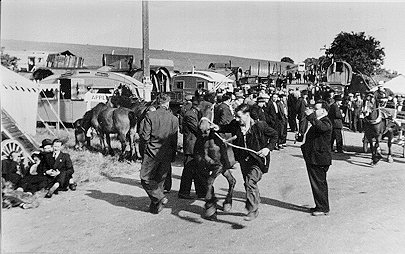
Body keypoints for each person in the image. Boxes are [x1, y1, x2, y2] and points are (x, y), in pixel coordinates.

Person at [223, 104, 278, 221]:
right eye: (236, 117)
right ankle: (255, 200)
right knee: (248, 183)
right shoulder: (235, 125)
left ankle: (253, 209)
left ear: (247, 115)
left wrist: (267, 148)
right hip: (244, 160)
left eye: (239, 117)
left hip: (258, 160)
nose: (237, 120)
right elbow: (225, 128)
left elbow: (274, 135)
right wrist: (214, 127)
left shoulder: (260, 126)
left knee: (250, 182)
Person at [139, 93, 179, 214]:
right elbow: (174, 140)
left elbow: (145, 136)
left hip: (151, 152)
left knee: (145, 178)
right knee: (160, 180)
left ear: (157, 103)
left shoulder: (150, 115)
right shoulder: (174, 119)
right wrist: (173, 154)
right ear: (167, 103)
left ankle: (159, 198)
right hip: (166, 152)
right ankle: (155, 206)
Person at [301, 100, 332, 216]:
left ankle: (323, 207)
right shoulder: (319, 121)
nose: (314, 111)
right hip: (315, 157)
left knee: (319, 183)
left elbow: (322, 128)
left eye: (316, 109)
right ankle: (320, 205)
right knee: (317, 183)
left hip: (319, 159)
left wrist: (311, 117)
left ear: (323, 110)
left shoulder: (326, 121)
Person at [178, 98, 207, 199]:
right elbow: (198, 129)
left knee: (198, 169)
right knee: (188, 170)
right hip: (191, 146)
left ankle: (201, 192)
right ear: (197, 105)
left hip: (195, 145)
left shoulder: (194, 114)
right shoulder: (190, 115)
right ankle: (184, 192)